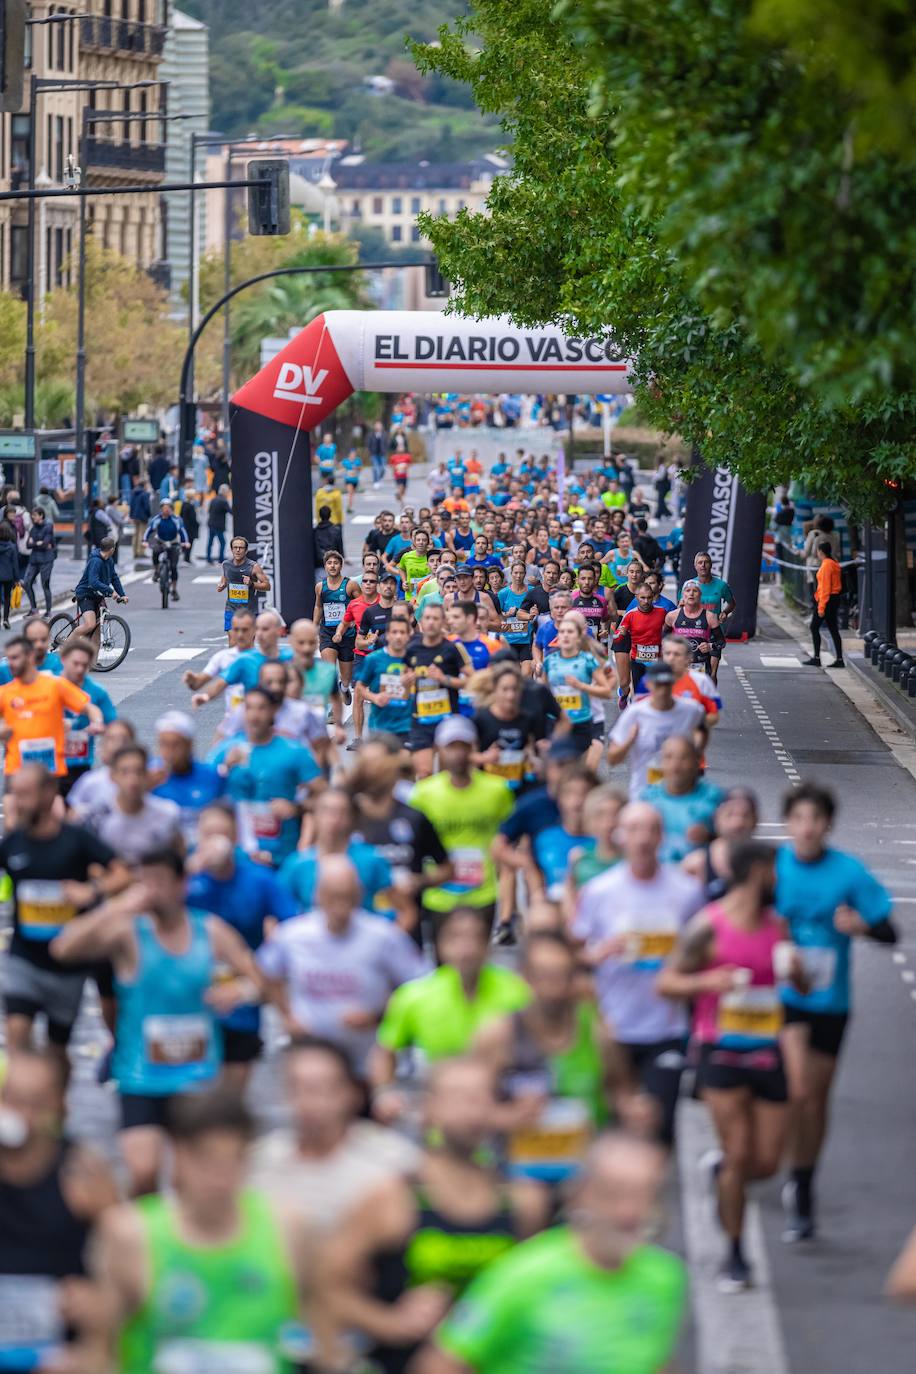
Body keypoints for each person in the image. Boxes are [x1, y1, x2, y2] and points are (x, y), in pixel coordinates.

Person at [51, 848, 266, 1195]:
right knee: (142, 1172)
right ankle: (146, 1237)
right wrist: (116, 906)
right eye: (144, 882)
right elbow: (64, 948)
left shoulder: (209, 931)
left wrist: (240, 991)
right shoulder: (127, 932)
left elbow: (259, 979)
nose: (151, 891)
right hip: (141, 1076)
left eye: (160, 882)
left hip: (197, 1076)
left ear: (182, 883)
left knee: (192, 1179)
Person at [326, 1057, 549, 1374]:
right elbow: (326, 1288)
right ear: (429, 1109)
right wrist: (389, 1323)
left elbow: (543, 1293)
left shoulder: (523, 1200)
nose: (470, 1110)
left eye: (481, 1097)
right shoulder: (394, 1196)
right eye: (457, 1096)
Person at [658, 840, 809, 1291]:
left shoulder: (778, 927)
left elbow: (796, 986)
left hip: (767, 1054)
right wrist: (710, 980)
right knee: (741, 1156)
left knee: (764, 1163)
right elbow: (666, 981)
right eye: (776, 872)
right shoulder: (709, 926)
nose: (781, 880)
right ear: (758, 872)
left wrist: (797, 971)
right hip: (719, 1053)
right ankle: (735, 1255)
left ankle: (721, 1170)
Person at [414, 1133, 686, 1374]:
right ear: (581, 1195)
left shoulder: (665, 1277)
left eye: (643, 1196)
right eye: (612, 1195)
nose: (628, 1213)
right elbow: (440, 1363)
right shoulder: (526, 1273)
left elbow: (654, 1362)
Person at [93, 1089, 323, 1373]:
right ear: (178, 1153)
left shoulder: (290, 1228)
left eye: (233, 1161)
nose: (220, 1179)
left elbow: (317, 1333)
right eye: (206, 1160)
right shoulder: (130, 1234)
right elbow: (100, 1352)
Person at [776, 783, 895, 1243]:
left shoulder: (848, 872)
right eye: (800, 819)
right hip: (783, 1000)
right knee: (797, 1090)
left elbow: (888, 930)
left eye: (817, 820)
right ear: (788, 823)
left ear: (828, 824)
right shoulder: (775, 869)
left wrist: (860, 926)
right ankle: (770, 1161)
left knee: (814, 1100)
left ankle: (802, 1183)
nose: (808, 828)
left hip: (831, 1002)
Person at [573, 802, 704, 1145]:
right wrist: (599, 952)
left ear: (661, 836)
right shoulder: (600, 891)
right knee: (614, 1131)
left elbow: (702, 953)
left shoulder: (687, 892)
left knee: (659, 1131)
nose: (643, 839)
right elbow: (575, 954)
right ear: (620, 836)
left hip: (667, 1028)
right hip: (614, 1028)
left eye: (650, 830)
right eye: (633, 830)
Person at [0, 765, 129, 1075]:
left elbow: (123, 873)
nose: (18, 802)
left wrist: (91, 890)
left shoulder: (77, 840)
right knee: (17, 1038)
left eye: (26, 794)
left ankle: (54, 1113)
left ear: (49, 794)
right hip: (24, 959)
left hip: (68, 965)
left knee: (58, 1052)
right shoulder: (13, 843)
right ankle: (18, 1111)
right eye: (15, 795)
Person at [0, 1049, 119, 1372]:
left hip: (60, 1353)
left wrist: (99, 1298)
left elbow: (127, 1257)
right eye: (10, 1099)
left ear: (56, 1107)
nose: (18, 1114)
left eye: (32, 1102)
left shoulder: (81, 1173)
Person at [258, 855, 425, 1077]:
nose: (341, 905)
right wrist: (287, 1016)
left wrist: (380, 1015)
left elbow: (418, 985)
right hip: (314, 1062)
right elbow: (264, 972)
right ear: (318, 895)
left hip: (368, 1062)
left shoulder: (383, 936)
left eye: (347, 896)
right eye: (334, 896)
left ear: (358, 895)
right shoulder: (293, 935)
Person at [249, 1035, 420, 1234]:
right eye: (298, 1088)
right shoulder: (261, 1161)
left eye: (322, 1089)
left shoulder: (394, 1160)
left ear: (351, 1093)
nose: (310, 1101)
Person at [371, 907, 531, 1118]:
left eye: (476, 937)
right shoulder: (412, 996)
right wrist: (384, 1094)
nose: (467, 947)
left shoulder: (518, 991)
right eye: (455, 937)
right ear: (440, 945)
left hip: (500, 1107)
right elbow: (384, 1051)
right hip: (437, 1110)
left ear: (487, 946)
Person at [186, 803, 298, 1085]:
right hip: (190, 990)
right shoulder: (182, 874)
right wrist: (188, 871)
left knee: (235, 1082)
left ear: (235, 837)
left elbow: (294, 929)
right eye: (207, 833)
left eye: (221, 833)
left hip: (242, 987)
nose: (214, 840)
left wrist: (264, 976)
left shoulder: (258, 878)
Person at [410, 716, 514, 930]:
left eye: (463, 746)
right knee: (443, 963)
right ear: (438, 749)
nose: (458, 754)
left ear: (474, 747)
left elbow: (507, 845)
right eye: (451, 747)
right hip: (438, 896)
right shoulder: (422, 794)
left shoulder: (497, 790)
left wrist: (507, 909)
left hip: (482, 894)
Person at [209, 687, 322, 868]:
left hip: (283, 857)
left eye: (261, 708)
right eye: (249, 708)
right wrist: (226, 767)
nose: (255, 715)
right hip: (237, 859)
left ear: (273, 711)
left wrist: (297, 808)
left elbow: (325, 796)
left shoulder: (294, 751)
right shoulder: (226, 751)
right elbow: (205, 792)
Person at [0, 634, 104, 779]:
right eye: (8, 658)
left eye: (15, 658)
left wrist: (97, 722)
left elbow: (89, 708)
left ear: (30, 656)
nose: (9, 663)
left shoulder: (55, 685)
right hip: (17, 773)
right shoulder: (4, 692)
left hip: (50, 773)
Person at [403, 602, 470, 778]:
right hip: (421, 720)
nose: (431, 622)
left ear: (443, 622)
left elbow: (472, 680)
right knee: (424, 774)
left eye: (435, 618)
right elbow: (402, 685)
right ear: (421, 621)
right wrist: (405, 682)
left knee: (446, 776)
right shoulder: (411, 648)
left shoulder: (452, 649)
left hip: (447, 720)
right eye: (427, 618)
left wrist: (444, 679)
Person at [85, 743, 183, 863]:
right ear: (113, 776)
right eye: (125, 772)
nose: (133, 781)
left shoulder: (168, 813)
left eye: (139, 772)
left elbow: (179, 856)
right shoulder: (96, 817)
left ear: (147, 775)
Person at [640, 734, 724, 863]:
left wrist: (709, 837)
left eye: (684, 758)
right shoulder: (647, 798)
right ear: (661, 763)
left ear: (697, 761)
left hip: (700, 875)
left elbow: (734, 842)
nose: (675, 766)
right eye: (669, 758)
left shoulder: (714, 797)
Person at [149, 709, 227, 846]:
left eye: (175, 745)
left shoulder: (212, 777)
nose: (169, 752)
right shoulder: (149, 777)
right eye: (164, 744)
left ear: (189, 745)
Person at [57, 636, 117, 797]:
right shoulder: (49, 686)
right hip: (50, 766)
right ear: (63, 660)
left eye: (84, 665)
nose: (80, 669)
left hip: (80, 767)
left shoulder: (97, 692)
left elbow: (115, 728)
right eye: (75, 664)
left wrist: (100, 727)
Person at [72, 535, 128, 645]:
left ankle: (93, 662)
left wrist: (122, 594)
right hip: (86, 594)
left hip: (97, 596)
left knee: (96, 632)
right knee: (90, 625)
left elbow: (114, 578)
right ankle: (66, 646)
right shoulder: (96, 561)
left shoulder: (109, 560)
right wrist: (111, 591)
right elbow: (93, 582)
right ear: (112, 549)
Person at [804, 540, 845, 668]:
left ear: (820, 552)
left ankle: (817, 657)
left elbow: (825, 588)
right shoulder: (834, 563)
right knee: (833, 629)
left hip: (827, 600)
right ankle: (839, 658)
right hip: (833, 599)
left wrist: (821, 607)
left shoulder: (827, 565)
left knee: (814, 627)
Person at [145, 499, 190, 600]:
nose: (166, 510)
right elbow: (149, 530)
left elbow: (182, 531)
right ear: (161, 509)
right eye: (164, 508)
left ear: (171, 509)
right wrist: (144, 540)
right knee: (155, 552)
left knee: (174, 567)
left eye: (168, 508)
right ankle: (156, 571)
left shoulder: (176, 519)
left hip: (173, 543)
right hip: (161, 542)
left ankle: (174, 589)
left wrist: (186, 542)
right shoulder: (157, 519)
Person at [22, 506, 56, 616]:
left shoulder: (48, 526)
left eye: (34, 515)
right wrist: (38, 543)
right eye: (32, 515)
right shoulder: (33, 528)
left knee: (45, 584)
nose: (32, 517)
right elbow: (28, 544)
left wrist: (36, 543)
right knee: (26, 583)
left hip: (46, 560)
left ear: (41, 515)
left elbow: (46, 543)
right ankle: (34, 609)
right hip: (34, 559)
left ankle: (48, 611)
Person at [205, 482, 232, 563]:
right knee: (223, 542)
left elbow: (209, 510)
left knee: (210, 542)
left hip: (211, 523)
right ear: (224, 492)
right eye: (227, 492)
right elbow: (230, 512)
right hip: (219, 525)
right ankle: (221, 559)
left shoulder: (213, 499)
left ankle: (208, 558)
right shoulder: (224, 501)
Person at [369, 420, 388, 486]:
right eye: (377, 425)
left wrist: (385, 450)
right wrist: (371, 451)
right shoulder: (371, 434)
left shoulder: (384, 434)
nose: (378, 427)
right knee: (375, 468)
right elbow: (369, 444)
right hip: (374, 454)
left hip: (382, 454)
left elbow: (387, 443)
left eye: (379, 425)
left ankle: (380, 478)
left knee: (383, 468)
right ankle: (376, 481)